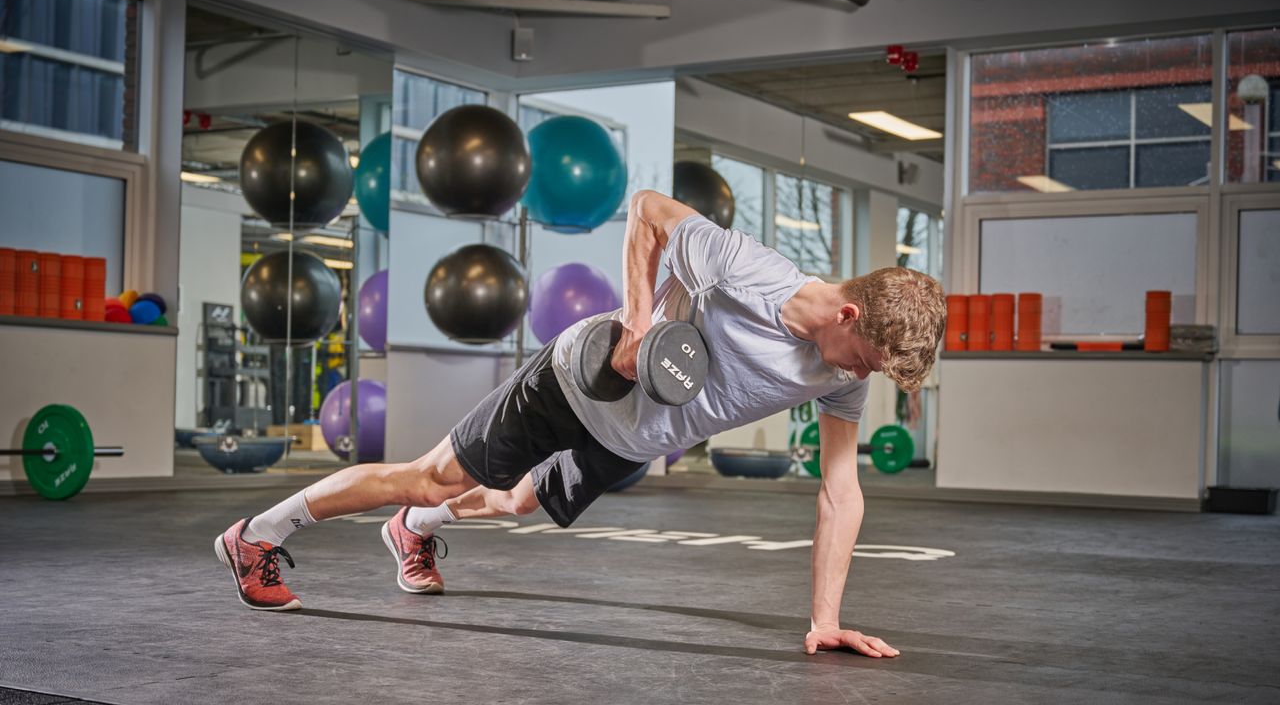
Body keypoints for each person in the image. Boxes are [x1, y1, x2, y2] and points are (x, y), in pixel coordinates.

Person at [216, 190, 946, 658]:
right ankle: (256, 537)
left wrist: (823, 620)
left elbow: (841, 494)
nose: (860, 377)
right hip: (576, 381)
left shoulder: (838, 375)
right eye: (866, 359)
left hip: (629, 436)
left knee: (519, 498)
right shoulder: (753, 273)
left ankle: (414, 529)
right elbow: (649, 210)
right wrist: (635, 321)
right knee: (431, 474)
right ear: (849, 314)